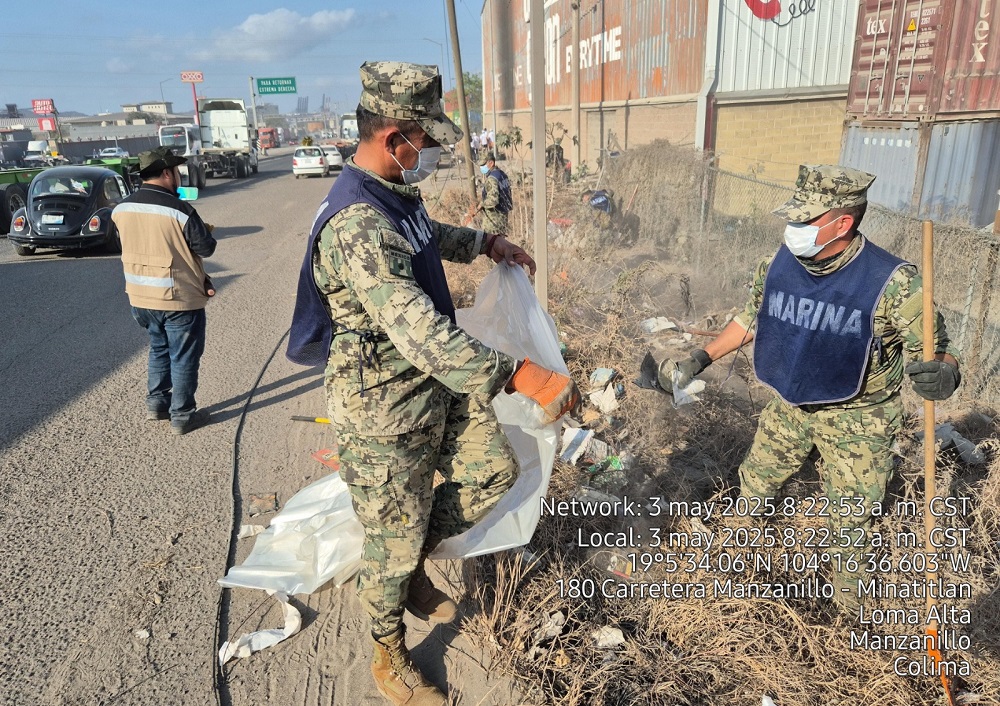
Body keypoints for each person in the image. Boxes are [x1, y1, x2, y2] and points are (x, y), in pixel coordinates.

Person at [287, 61, 579, 706]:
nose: (434, 152)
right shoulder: (357, 221)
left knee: (490, 473)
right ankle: (388, 652)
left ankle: (412, 555)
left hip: (434, 386)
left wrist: (483, 242)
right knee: (389, 544)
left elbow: (422, 237)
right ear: (395, 137)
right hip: (383, 405)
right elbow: (416, 328)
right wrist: (523, 375)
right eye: (427, 139)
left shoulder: (390, 194)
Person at [652, 164, 961, 614]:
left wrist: (945, 373)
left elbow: (940, 350)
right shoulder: (777, 263)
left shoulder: (893, 283)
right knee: (756, 483)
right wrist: (699, 360)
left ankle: (848, 611)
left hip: (859, 417)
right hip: (791, 402)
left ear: (843, 223)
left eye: (805, 220)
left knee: (851, 522)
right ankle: (741, 558)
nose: (793, 229)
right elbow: (749, 320)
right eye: (793, 217)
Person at [112, 147, 217, 436]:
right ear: (167, 173)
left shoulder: (121, 209)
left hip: (139, 297)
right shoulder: (180, 209)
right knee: (183, 356)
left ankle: (157, 403)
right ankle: (182, 415)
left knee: (159, 348)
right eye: (177, 170)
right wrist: (204, 230)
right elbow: (205, 247)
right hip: (177, 298)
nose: (179, 175)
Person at [476, 152, 513, 236]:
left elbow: (493, 200)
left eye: (483, 164)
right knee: (501, 245)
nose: (481, 167)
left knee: (491, 245)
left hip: (493, 220)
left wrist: (481, 205)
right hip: (503, 217)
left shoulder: (492, 178)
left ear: (491, 163)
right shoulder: (502, 174)